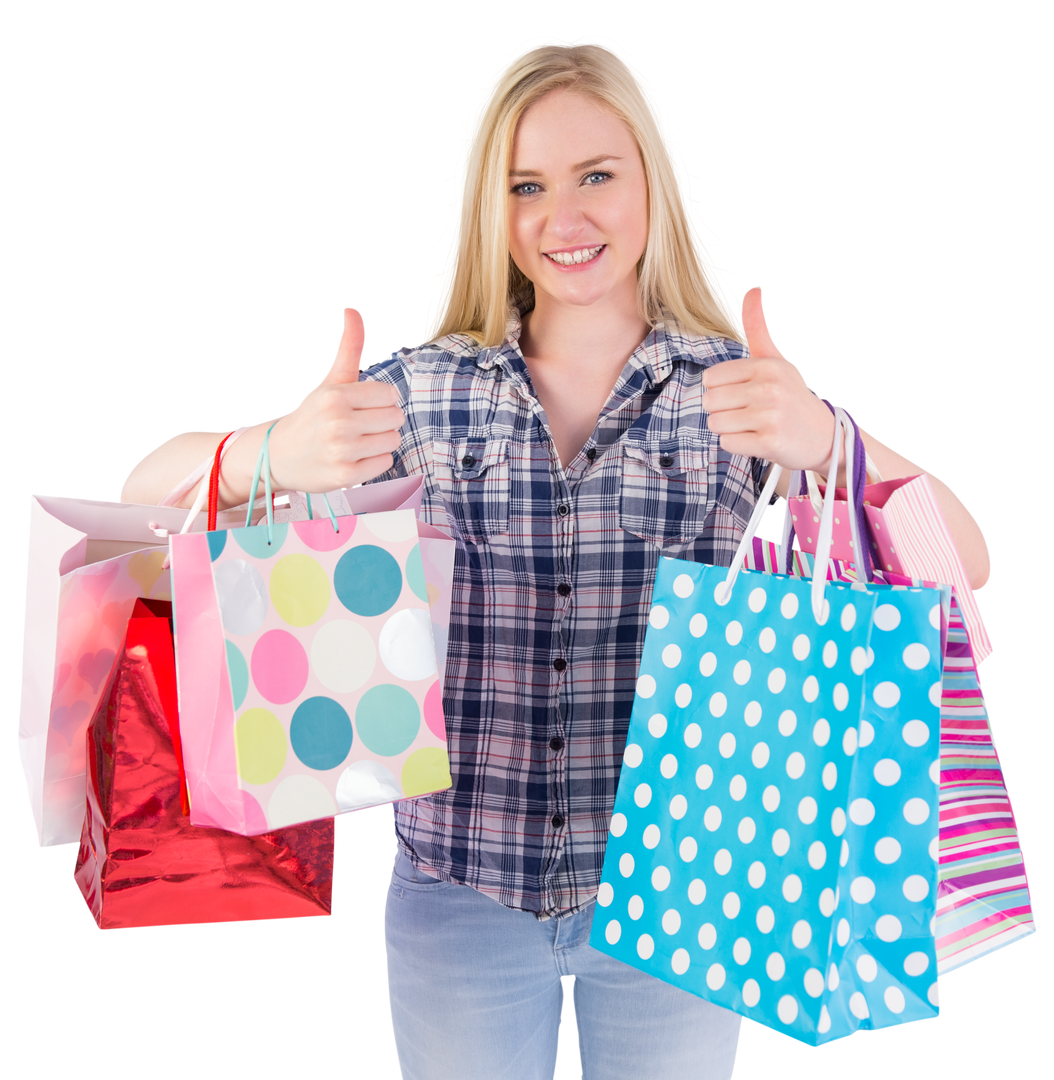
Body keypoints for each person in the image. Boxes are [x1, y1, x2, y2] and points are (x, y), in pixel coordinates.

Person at [119, 33, 993, 1080]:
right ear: (494, 207)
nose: (562, 218)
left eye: (595, 175)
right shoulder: (421, 392)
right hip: (455, 895)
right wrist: (265, 452)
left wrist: (829, 444)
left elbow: (965, 564)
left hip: (683, 902)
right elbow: (137, 512)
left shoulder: (741, 394)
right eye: (526, 185)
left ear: (654, 189)